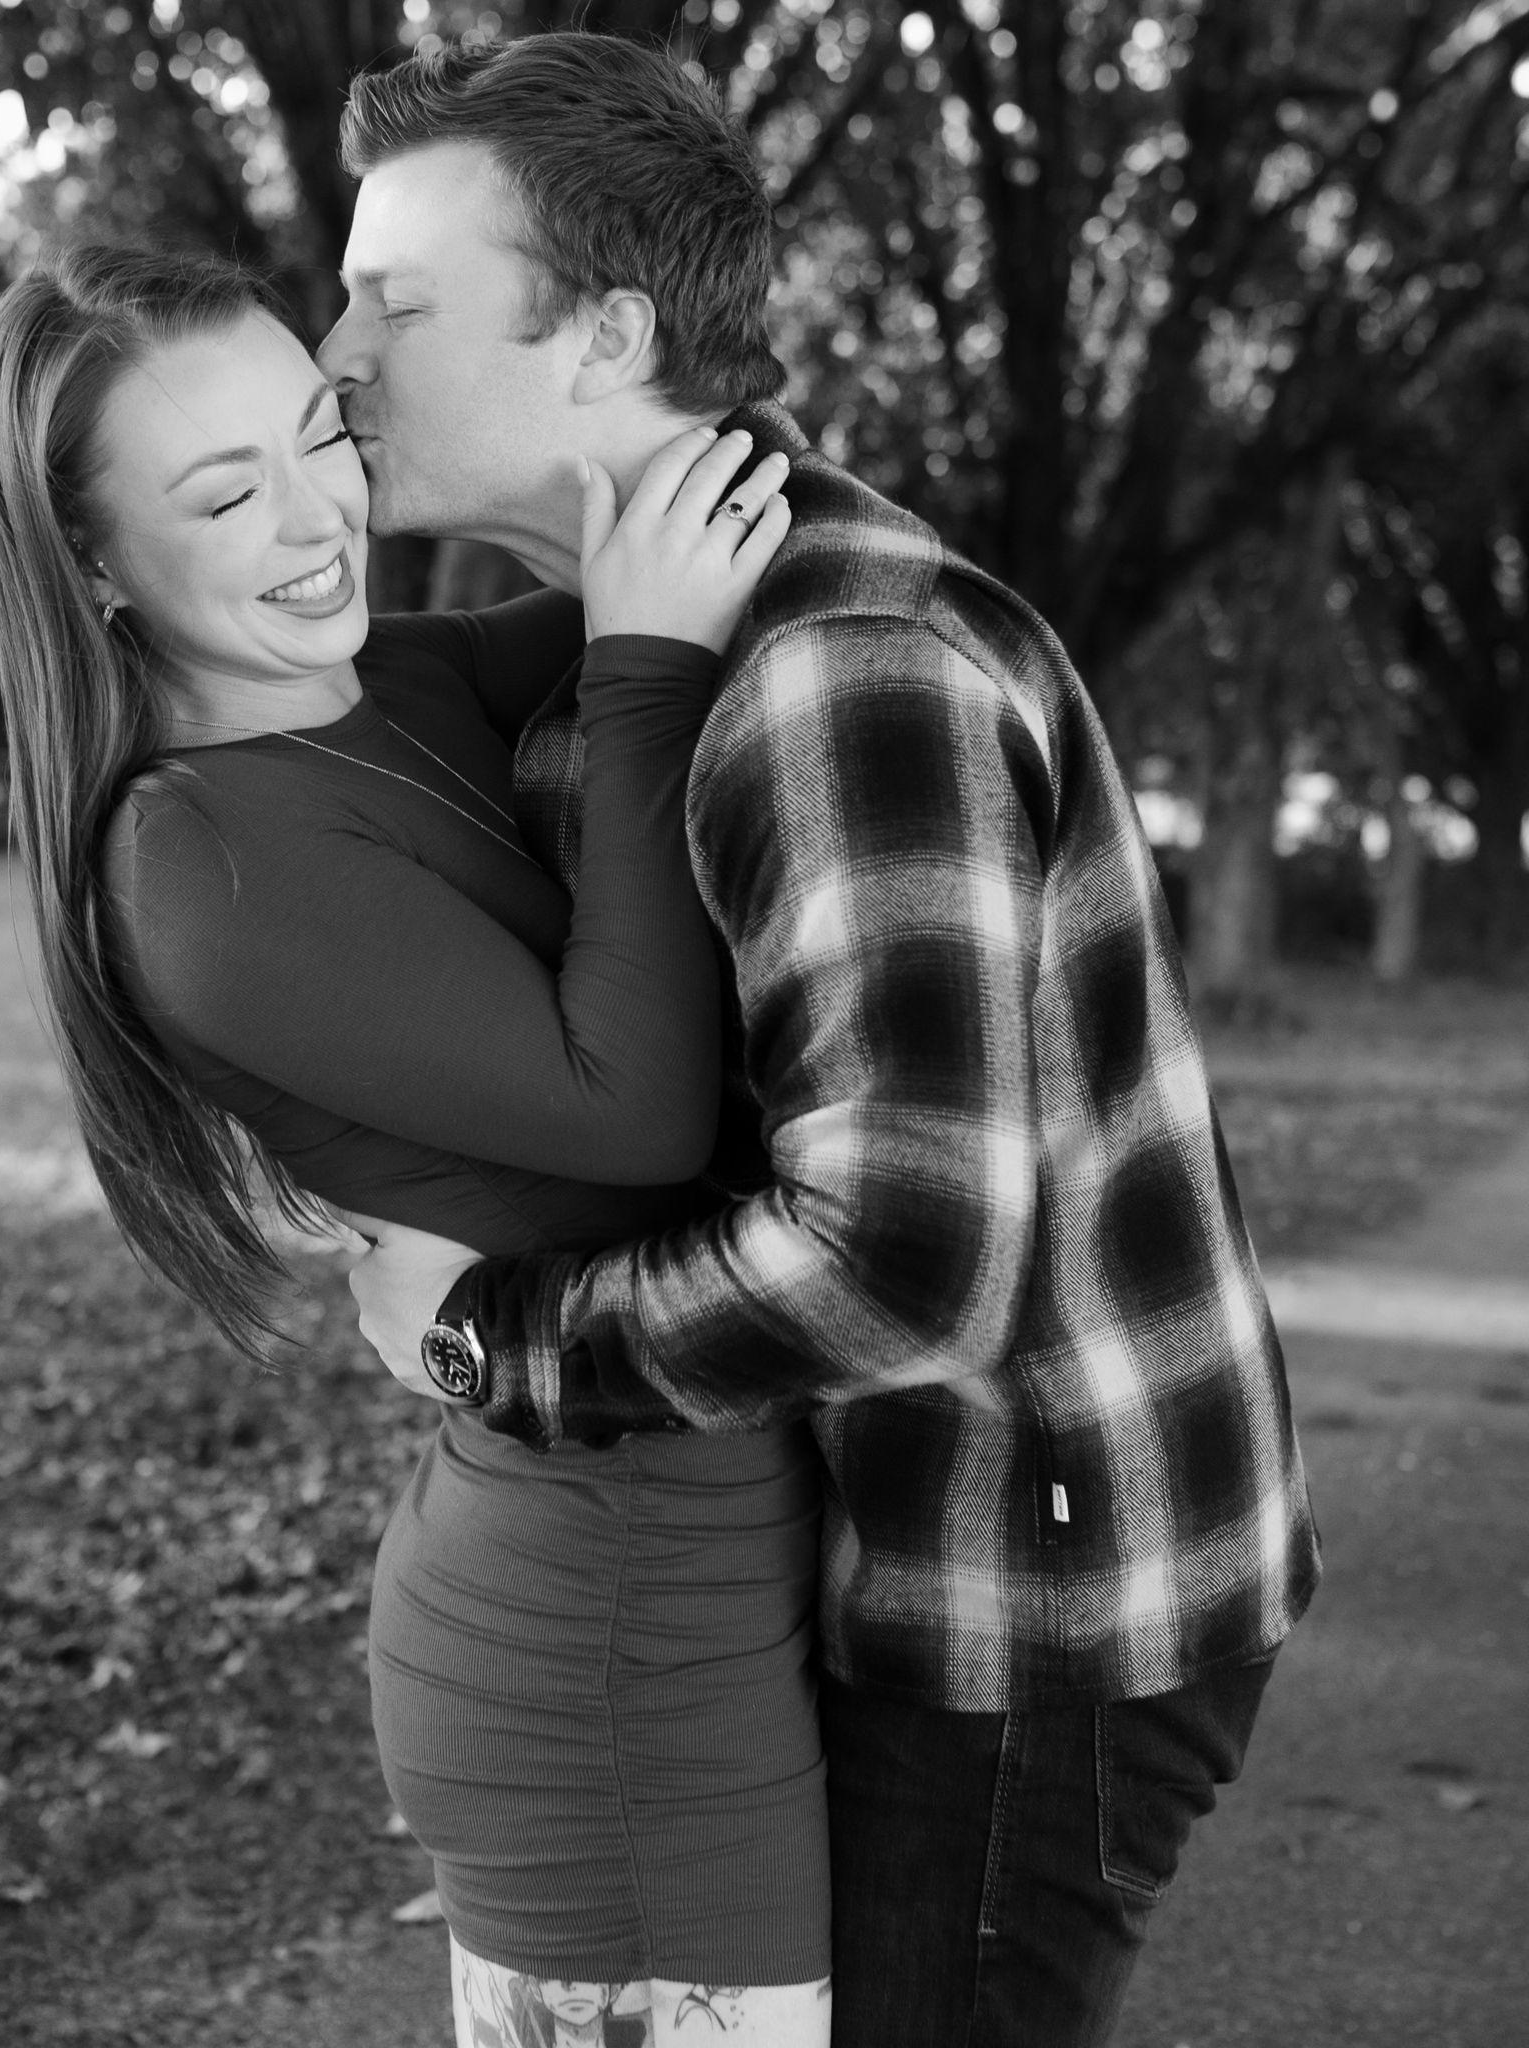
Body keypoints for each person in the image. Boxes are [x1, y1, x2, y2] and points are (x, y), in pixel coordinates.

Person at [324, 33, 1324, 2047]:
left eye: (391, 304)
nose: (329, 356)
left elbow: (904, 1261)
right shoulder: (635, 653)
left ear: (604, 335)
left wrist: (492, 1337)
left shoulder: (838, 671)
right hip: (902, 1545)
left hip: (1022, 1602)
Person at [0, 242, 835, 2045]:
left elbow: (710, 495)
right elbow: (634, 1110)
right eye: (226, 494)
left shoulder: (390, 683)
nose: (319, 519)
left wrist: (586, 348)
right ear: (93, 565)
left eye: (320, 436)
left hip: (705, 1555)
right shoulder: (196, 857)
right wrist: (643, 672)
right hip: (608, 1638)